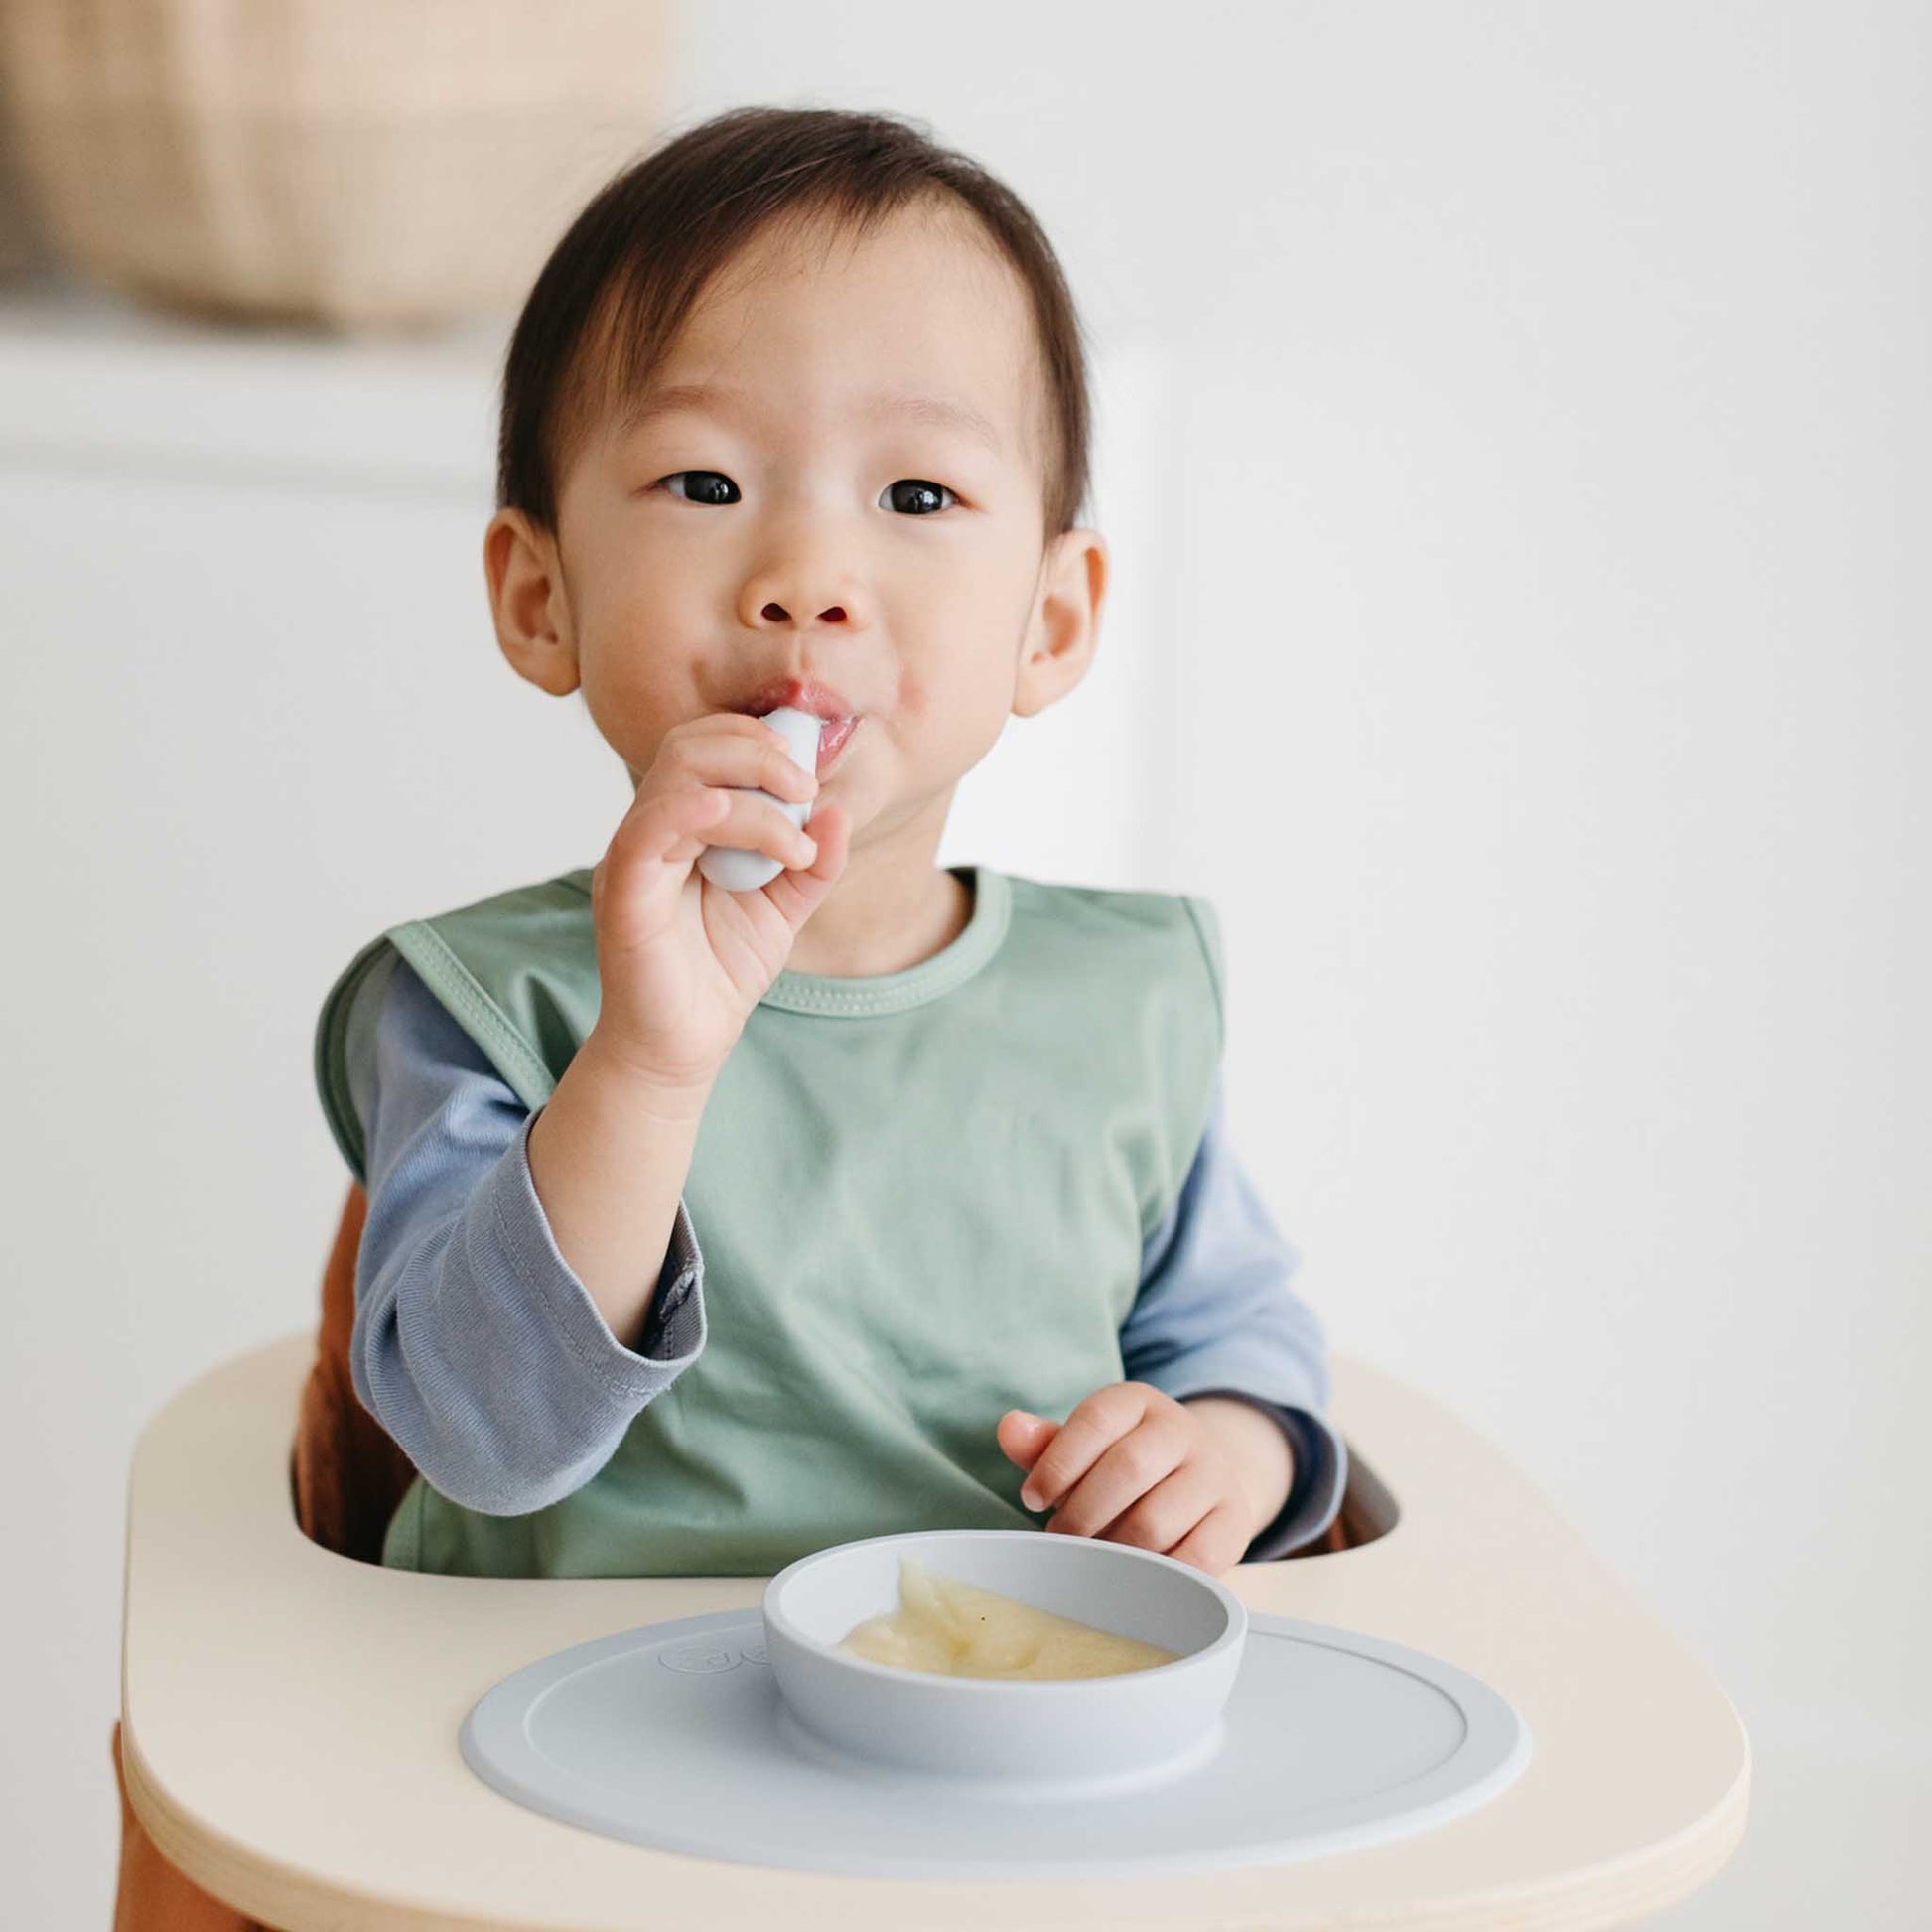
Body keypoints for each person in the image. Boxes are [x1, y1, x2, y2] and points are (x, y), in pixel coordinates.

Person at [312, 104, 1348, 1581]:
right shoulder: (484, 1002)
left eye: (916, 494)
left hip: (992, 1718)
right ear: (541, 597)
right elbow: (478, 1430)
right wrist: (649, 1062)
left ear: (1049, 622)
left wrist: (1229, 1445)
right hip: (565, 1755)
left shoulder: (1124, 999)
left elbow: (1234, 1330)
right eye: (706, 484)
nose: (807, 578)